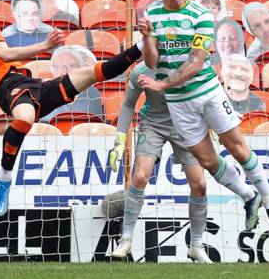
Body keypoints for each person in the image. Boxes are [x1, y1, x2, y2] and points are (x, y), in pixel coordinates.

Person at [0, 0, 144, 217]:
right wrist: (45, 44)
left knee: (93, 72)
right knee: (24, 119)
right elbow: (5, 54)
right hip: (12, 86)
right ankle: (3, 181)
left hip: (31, 87)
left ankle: (141, 44)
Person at [137, 0, 269, 237]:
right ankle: (248, 196)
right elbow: (151, 62)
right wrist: (148, 37)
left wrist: (163, 84)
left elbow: (196, 62)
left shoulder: (200, 15)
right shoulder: (153, 17)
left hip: (208, 93)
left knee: (238, 149)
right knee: (207, 160)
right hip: (178, 103)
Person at [109, 61, 260, 263]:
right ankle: (125, 239)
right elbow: (128, 104)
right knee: (139, 176)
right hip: (153, 124)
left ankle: (196, 246)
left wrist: (220, 122)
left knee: (200, 184)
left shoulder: (189, 67)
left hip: (187, 126)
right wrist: (119, 141)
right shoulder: (141, 72)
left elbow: (209, 95)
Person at [39, 45, 104, 123]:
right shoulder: (44, 91)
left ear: (80, 68)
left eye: (71, 65)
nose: (64, 71)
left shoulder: (92, 92)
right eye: (58, 66)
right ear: (53, 69)